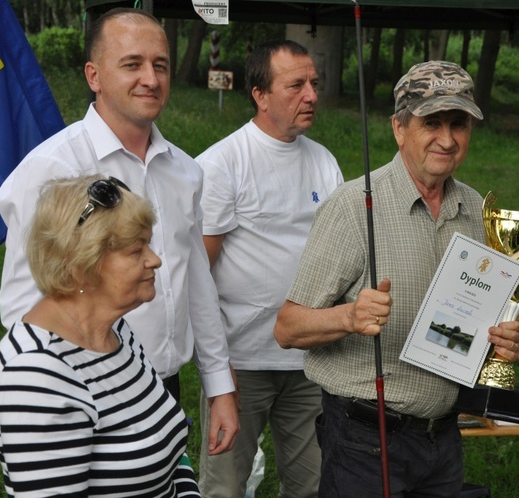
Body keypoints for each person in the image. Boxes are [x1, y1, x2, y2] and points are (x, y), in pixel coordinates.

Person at [274, 61, 519, 497]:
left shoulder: (475, 210)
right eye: (431, 123)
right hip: (364, 444)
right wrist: (350, 316)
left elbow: (471, 322)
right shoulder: (354, 207)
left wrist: (500, 343)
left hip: (443, 439)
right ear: (399, 128)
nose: (447, 140)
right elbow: (287, 328)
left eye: (458, 123)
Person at [0, 7, 238, 455]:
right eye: (132, 64)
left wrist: (219, 385)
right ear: (94, 75)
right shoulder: (53, 170)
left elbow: (196, 281)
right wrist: (48, 398)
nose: (150, 77)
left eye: (160, 65)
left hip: (165, 388)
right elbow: (21, 305)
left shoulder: (185, 170)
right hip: (84, 392)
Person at [0, 174, 201, 496]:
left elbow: (169, 452)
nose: (154, 260)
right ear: (81, 264)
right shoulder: (34, 377)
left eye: (149, 244)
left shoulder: (114, 334)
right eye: (136, 250)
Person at [195, 40, 343, 498]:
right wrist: (217, 370)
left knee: (314, 484)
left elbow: (342, 253)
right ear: (260, 94)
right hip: (241, 362)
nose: (311, 95)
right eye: (295, 85)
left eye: (313, 84)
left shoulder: (323, 161)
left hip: (312, 359)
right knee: (225, 486)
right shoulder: (222, 164)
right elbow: (198, 274)